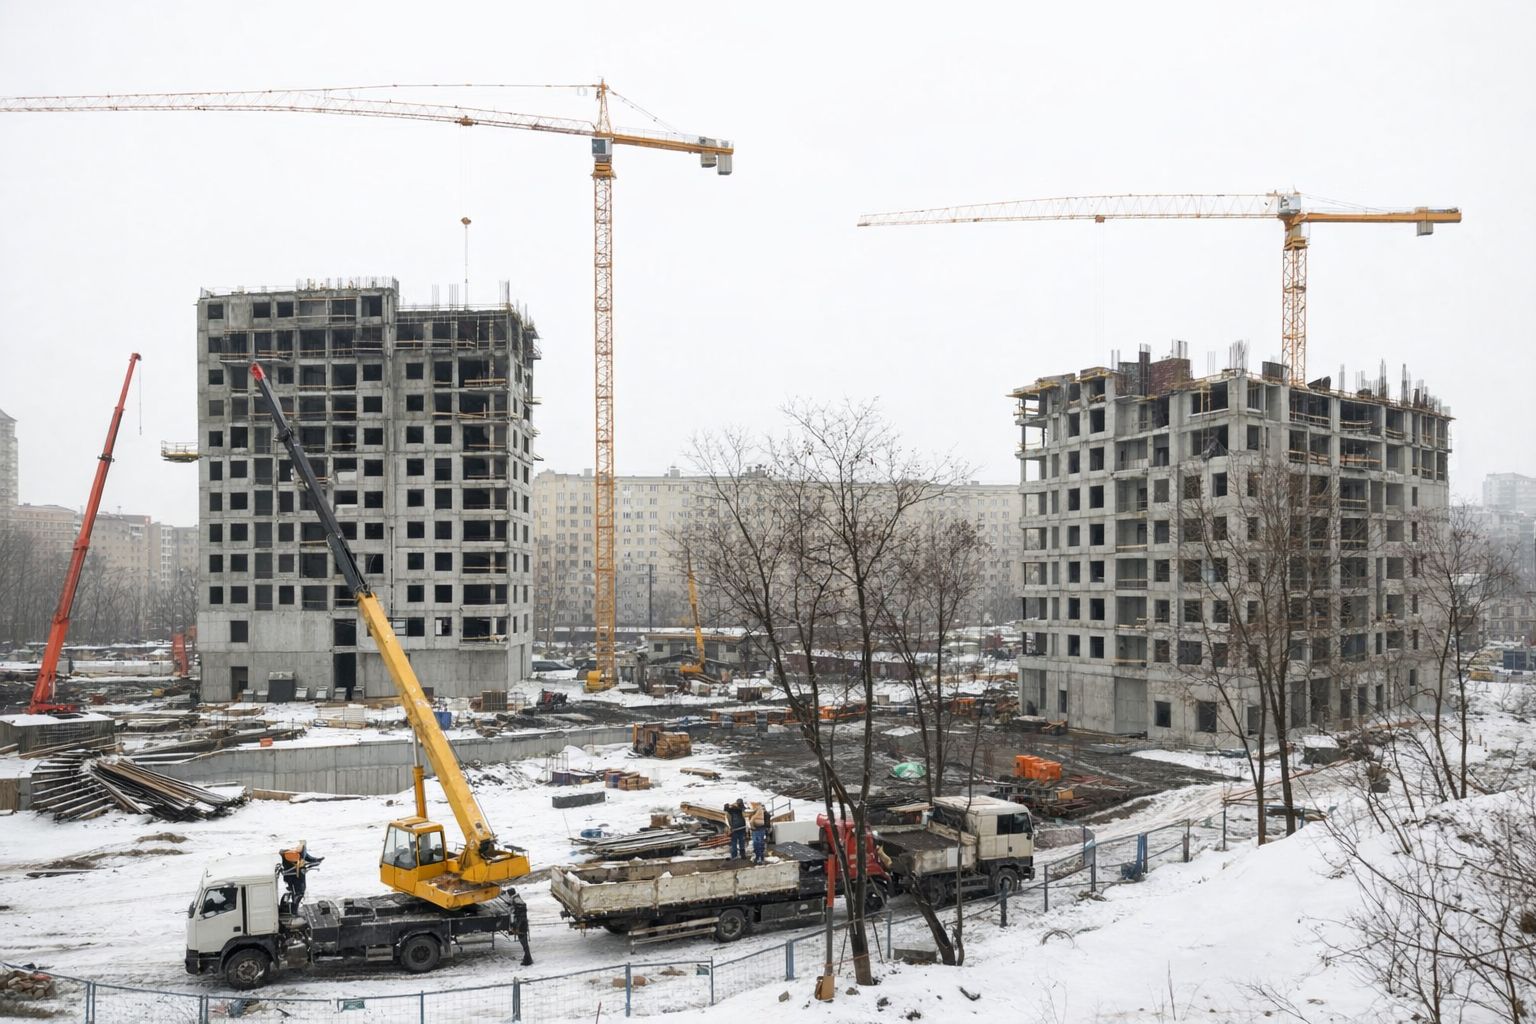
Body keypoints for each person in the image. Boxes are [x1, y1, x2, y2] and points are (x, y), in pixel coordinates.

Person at [278, 840, 324, 910]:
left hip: (294, 876)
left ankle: (293, 909)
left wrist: (314, 861)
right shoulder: (293, 856)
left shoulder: (294, 856)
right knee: (299, 893)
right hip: (295, 877)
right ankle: (294, 910)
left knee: (297, 893)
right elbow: (303, 858)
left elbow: (305, 857)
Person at [509, 890, 533, 966]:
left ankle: (528, 960)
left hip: (521, 926)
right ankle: (527, 958)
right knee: (524, 943)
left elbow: (519, 915)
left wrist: (516, 926)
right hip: (521, 925)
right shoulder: (516, 899)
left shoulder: (517, 901)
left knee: (524, 943)